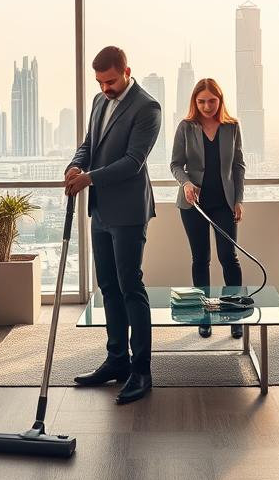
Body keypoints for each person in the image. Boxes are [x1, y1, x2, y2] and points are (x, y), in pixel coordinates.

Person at [65, 46, 161, 405]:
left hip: (129, 210)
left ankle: (142, 371)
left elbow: (133, 162)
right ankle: (117, 360)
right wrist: (76, 165)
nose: (105, 88)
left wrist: (89, 178)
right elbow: (89, 144)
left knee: (130, 286)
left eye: (111, 81)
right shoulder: (99, 101)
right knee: (107, 286)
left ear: (126, 71)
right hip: (101, 210)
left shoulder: (147, 107)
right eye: (100, 82)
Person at [170, 78, 246, 339]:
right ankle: (203, 316)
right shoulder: (186, 127)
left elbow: (238, 165)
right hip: (194, 204)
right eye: (201, 101)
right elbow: (176, 164)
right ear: (195, 101)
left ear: (220, 100)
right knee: (200, 259)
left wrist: (238, 199)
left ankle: (234, 314)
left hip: (224, 203)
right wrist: (186, 183)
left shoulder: (231, 126)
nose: (206, 106)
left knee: (229, 258)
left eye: (211, 101)